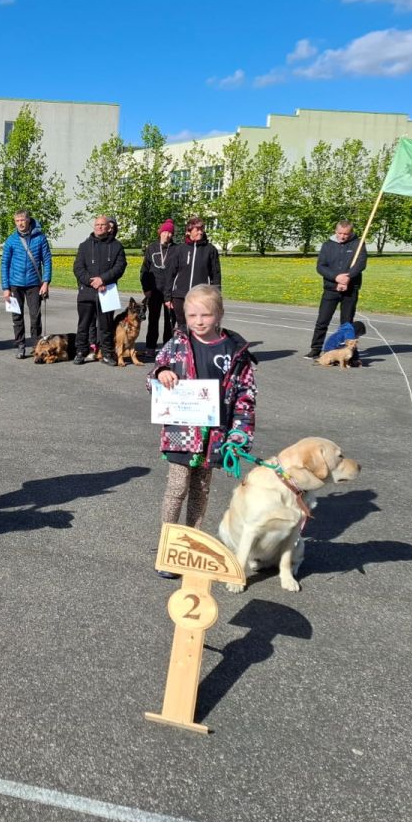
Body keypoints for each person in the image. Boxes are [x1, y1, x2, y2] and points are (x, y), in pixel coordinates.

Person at [147, 284, 256, 577]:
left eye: (206, 315)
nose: (198, 321)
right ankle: (168, 545)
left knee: (201, 490)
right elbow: (152, 375)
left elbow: (246, 397)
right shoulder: (177, 344)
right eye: (192, 315)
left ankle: (192, 544)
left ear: (218, 314)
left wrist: (239, 435)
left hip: (215, 437)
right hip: (181, 434)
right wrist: (161, 373)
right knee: (176, 488)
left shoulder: (235, 351)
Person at [305, 220, 368, 360]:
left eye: (346, 234)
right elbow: (320, 266)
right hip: (331, 288)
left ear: (350, 233)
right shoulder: (327, 245)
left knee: (347, 324)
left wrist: (348, 277)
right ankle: (315, 349)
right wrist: (336, 278)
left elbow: (361, 264)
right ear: (335, 231)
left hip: (350, 289)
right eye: (340, 233)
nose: (343, 236)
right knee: (322, 320)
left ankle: (349, 352)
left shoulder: (358, 244)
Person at [72, 215, 127, 365]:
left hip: (107, 291)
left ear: (109, 227)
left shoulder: (116, 246)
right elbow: (78, 268)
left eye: (103, 225)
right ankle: (81, 351)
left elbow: (120, 267)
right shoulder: (84, 246)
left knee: (106, 325)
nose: (99, 227)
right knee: (83, 325)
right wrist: (93, 281)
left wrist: (103, 279)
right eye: (97, 224)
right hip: (87, 292)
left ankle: (107, 353)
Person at [0, 209, 52, 359]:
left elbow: (47, 261)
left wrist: (46, 282)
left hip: (34, 284)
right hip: (15, 284)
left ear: (29, 220)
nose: (20, 223)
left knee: (35, 316)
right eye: (17, 220)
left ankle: (36, 345)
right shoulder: (11, 240)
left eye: (22, 220)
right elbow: (4, 264)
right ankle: (21, 345)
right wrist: (5, 288)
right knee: (17, 317)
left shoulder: (40, 238)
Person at [165, 216, 221, 331]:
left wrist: (216, 295)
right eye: (197, 230)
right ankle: (184, 348)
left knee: (198, 326)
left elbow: (215, 274)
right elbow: (171, 273)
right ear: (188, 232)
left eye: (202, 229)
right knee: (182, 326)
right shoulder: (180, 249)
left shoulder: (210, 250)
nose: (200, 232)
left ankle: (197, 348)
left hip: (200, 296)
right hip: (179, 296)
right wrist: (167, 296)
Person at [141, 219, 177, 356]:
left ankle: (167, 349)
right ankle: (150, 346)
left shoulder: (176, 249)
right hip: (154, 290)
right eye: (165, 231)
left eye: (170, 233)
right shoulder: (152, 248)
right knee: (153, 320)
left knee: (170, 322)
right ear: (160, 232)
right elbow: (144, 269)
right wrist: (146, 288)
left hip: (170, 291)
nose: (167, 235)